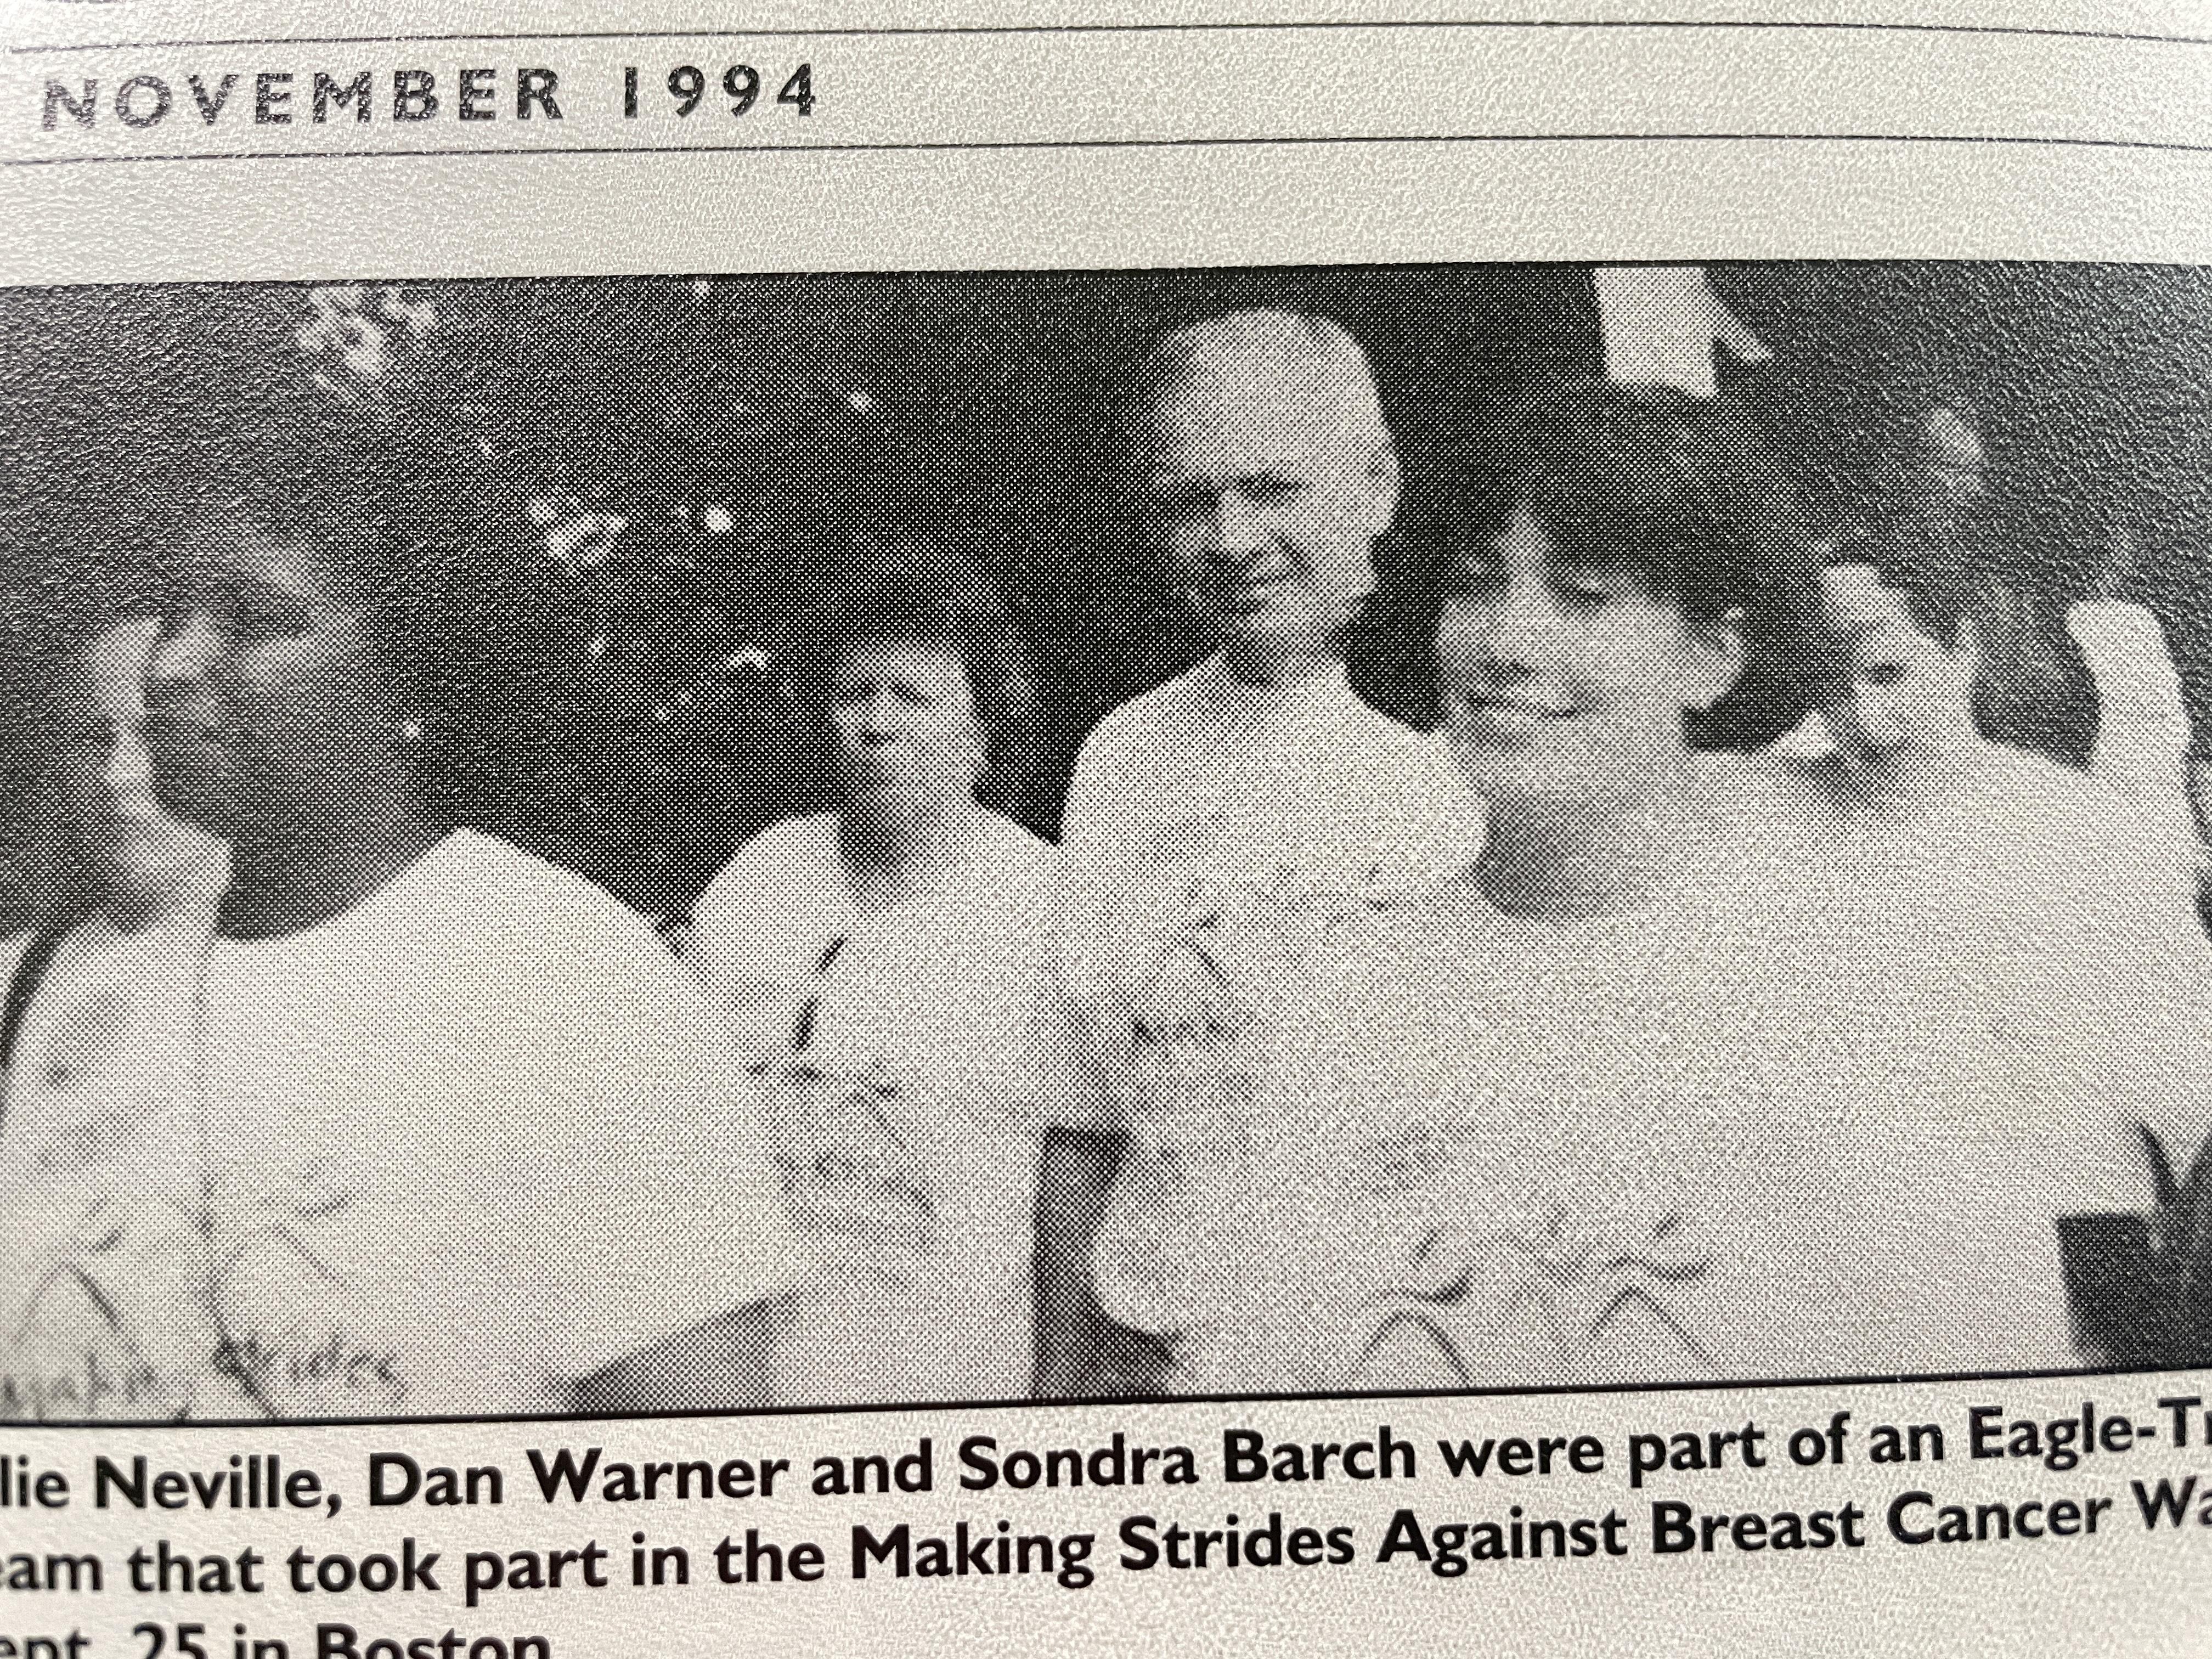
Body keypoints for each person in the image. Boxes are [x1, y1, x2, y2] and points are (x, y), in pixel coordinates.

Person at [1089, 379, 2186, 1394]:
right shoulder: (1338, 1002)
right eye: (1476, 584)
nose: (1507, 644)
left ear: (1710, 654)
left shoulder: (1860, 977)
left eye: (1584, 596)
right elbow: (1262, 1385)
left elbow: (1963, 1399)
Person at [112, 411, 802, 1421]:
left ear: (410, 679)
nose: (174, 669)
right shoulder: (97, 991)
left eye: (257, 622)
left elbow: (693, 1446)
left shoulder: (567, 977)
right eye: (175, 617)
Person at [1045, 308, 1481, 1392]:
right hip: (1149, 1361)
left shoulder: (1477, 729)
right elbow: (1083, 1120)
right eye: (1191, 501)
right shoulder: (1126, 754)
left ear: (1376, 487)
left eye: (1272, 489)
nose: (1231, 538)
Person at [685, 541, 1080, 1406]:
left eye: (913, 696)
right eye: (856, 694)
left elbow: (1073, 1187)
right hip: (763, 1384)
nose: (877, 720)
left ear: (985, 728)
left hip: (957, 1388)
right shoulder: (761, 881)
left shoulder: (1048, 906)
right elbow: (685, 1143)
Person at [1, 593, 227, 1423]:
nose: (121, 773)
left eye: (151, 732)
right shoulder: (19, 980)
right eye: (92, 739)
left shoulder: (298, 955)